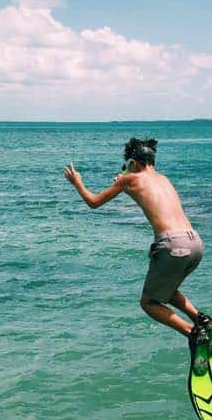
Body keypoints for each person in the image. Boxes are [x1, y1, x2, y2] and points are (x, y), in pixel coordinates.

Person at [63, 137, 203, 339]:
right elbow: (147, 195)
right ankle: (202, 320)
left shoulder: (130, 179)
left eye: (127, 165)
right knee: (166, 289)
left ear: (133, 163)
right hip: (195, 244)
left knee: (148, 303)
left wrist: (78, 182)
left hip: (173, 244)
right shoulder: (164, 179)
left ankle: (193, 334)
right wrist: (124, 181)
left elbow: (93, 202)